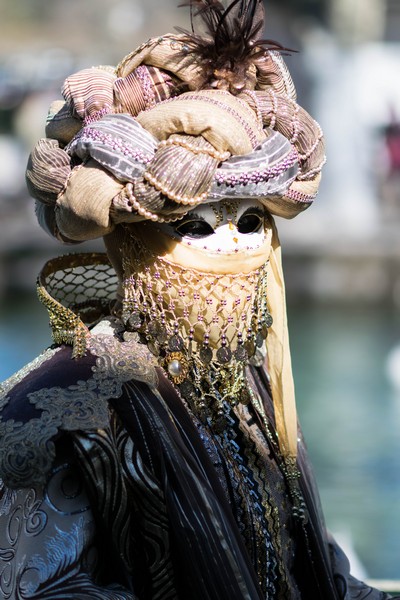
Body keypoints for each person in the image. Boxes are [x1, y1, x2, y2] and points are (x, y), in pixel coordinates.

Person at [0, 1, 395, 598]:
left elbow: (314, 568)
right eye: (197, 225)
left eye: (252, 219)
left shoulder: (252, 391)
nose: (233, 244)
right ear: (133, 239)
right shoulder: (58, 411)